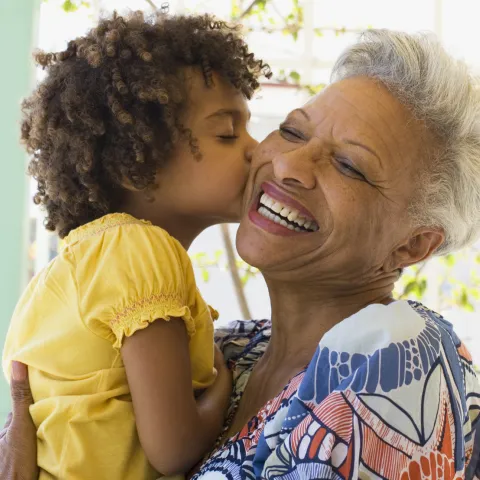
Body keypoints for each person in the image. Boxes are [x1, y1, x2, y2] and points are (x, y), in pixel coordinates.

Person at [2, 28, 480, 480]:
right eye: (293, 132)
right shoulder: (229, 348)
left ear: (413, 244)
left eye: (349, 165)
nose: (286, 163)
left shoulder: (397, 357)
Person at [1, 10, 270, 480]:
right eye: (227, 133)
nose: (256, 148)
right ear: (137, 163)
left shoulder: (80, 264)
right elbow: (173, 450)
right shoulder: (141, 251)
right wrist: (227, 391)